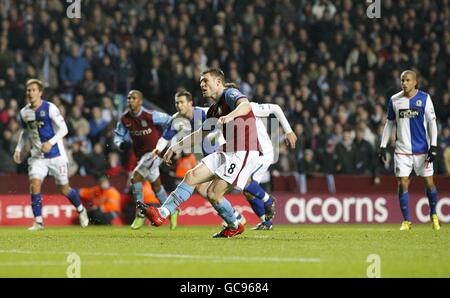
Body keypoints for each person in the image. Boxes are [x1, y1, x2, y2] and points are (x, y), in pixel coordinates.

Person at [144, 68, 262, 238]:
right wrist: (174, 147)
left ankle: (235, 224)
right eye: (201, 82)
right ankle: (162, 213)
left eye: (206, 80)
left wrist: (231, 116)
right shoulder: (213, 110)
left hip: (244, 150)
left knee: (214, 193)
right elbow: (200, 134)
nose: (202, 84)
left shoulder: (230, 94)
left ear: (218, 82)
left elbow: (245, 105)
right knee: (191, 177)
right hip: (227, 150)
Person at [13, 79, 89, 231]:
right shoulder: (24, 112)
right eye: (28, 90)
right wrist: (18, 149)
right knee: (34, 185)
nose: (31, 93)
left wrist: (51, 142)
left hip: (56, 155)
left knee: (64, 189)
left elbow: (64, 129)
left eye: (34, 90)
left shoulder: (50, 108)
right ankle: (39, 222)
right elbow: (26, 132)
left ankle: (81, 209)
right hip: (37, 157)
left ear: (40, 92)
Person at [378, 70, 441, 231]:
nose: (404, 83)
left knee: (429, 183)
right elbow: (389, 123)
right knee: (402, 182)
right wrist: (383, 146)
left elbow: (432, 123)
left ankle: (433, 215)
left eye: (407, 80)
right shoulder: (395, 100)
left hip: (422, 151)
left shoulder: (425, 98)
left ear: (415, 82)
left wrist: (433, 146)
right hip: (402, 151)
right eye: (402, 80)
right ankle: (407, 221)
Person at [113, 90, 175, 230]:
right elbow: (118, 136)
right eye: (129, 98)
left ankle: (140, 214)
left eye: (134, 98)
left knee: (135, 179)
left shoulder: (151, 116)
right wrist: (121, 144)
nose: (130, 100)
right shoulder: (125, 119)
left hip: (155, 153)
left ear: (140, 101)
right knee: (156, 187)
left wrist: (167, 140)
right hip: (141, 156)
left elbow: (171, 121)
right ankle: (172, 210)